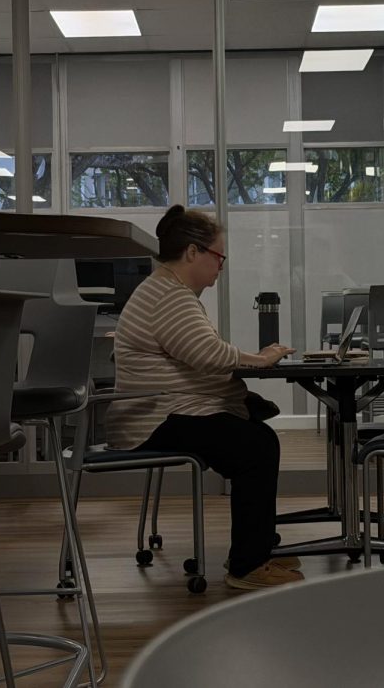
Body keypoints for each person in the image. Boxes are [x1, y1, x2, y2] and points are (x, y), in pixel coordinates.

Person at [107, 204, 299, 590]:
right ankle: (248, 564)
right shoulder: (169, 295)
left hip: (161, 411)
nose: (221, 265)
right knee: (256, 447)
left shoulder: (166, 289)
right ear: (193, 252)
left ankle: (255, 547)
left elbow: (201, 350)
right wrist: (261, 359)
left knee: (253, 436)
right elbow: (209, 355)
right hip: (156, 418)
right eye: (218, 256)